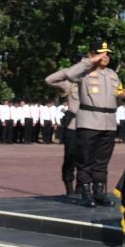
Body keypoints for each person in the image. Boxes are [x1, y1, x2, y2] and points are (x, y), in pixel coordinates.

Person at [45, 41, 125, 207]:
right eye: (101, 53)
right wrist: (89, 61)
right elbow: (69, 74)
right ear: (92, 55)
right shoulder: (84, 72)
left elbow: (114, 100)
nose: (105, 56)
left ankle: (99, 192)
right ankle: (85, 193)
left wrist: (123, 97)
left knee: (102, 161)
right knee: (86, 159)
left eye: (107, 54)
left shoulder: (113, 75)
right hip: (89, 121)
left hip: (108, 122)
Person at [45, 52, 85, 197]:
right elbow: (49, 80)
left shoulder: (93, 80)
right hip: (73, 125)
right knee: (70, 157)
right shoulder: (70, 83)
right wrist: (68, 72)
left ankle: (82, 187)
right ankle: (69, 187)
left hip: (88, 125)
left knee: (85, 159)